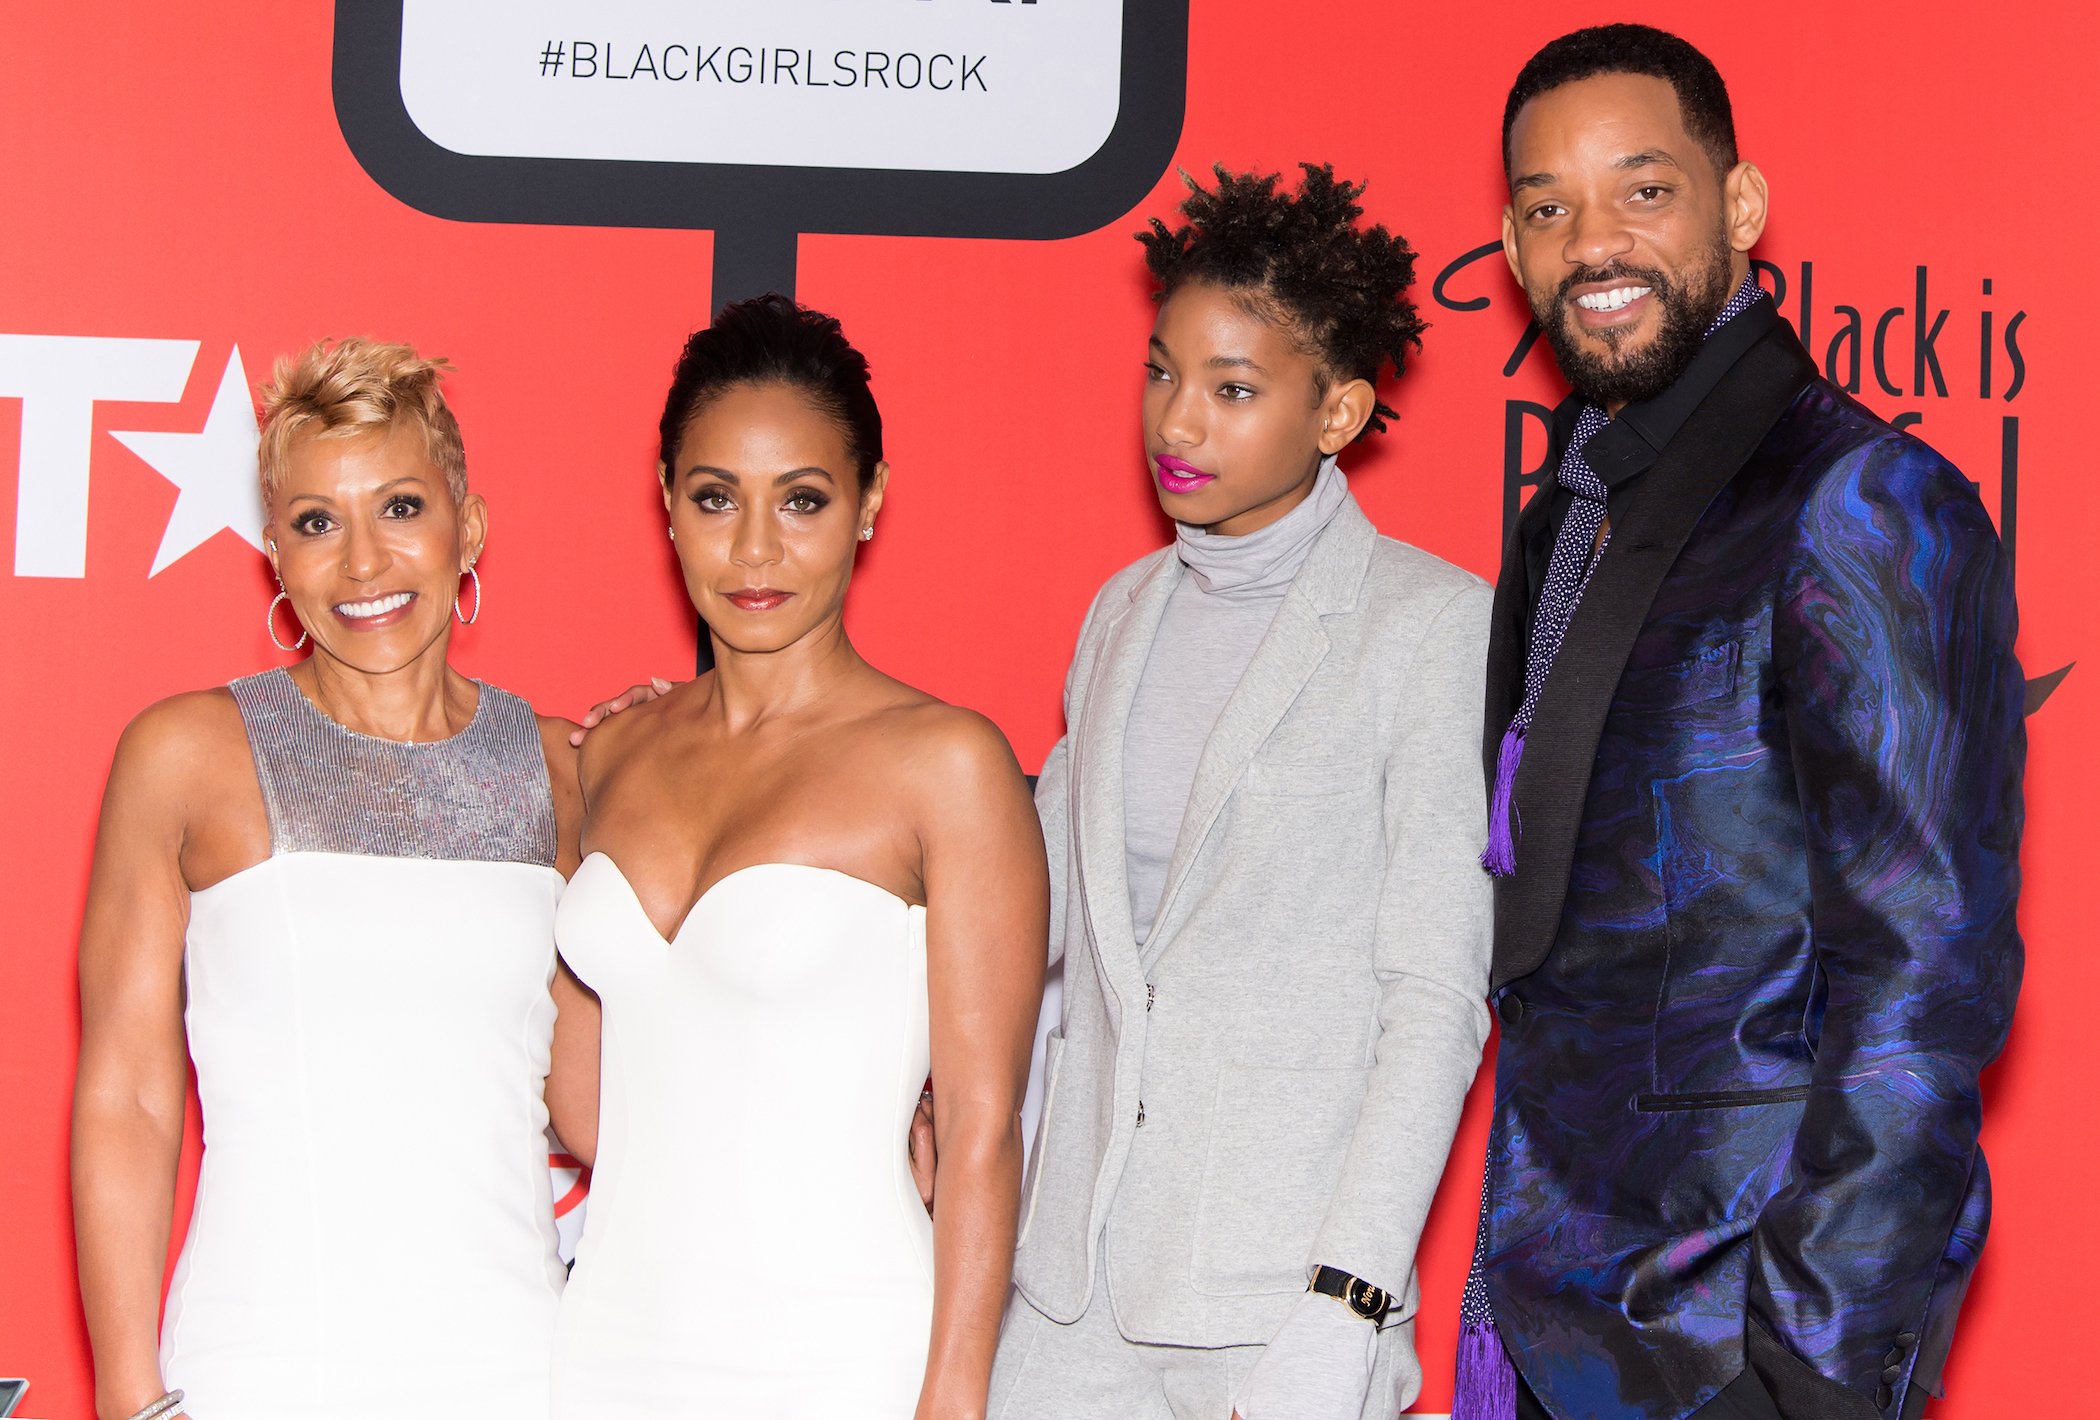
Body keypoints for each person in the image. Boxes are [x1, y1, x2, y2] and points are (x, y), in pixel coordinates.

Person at [1455, 25, 2024, 1420]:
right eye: (1547, 207)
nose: (1592, 241)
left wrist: (1813, 1364)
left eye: (1642, 189)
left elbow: (1925, 976)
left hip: (1737, 1333)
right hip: (1549, 1311)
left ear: (1743, 208)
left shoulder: (1862, 501)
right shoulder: (1568, 523)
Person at [988, 165, 1493, 1420]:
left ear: (1338, 412)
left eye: (1232, 390)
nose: (1177, 423)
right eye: (1162, 371)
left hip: (1280, 1307)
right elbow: (1031, 922)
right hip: (1065, 1299)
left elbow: (1432, 1003)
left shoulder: (1430, 628)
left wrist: (1347, 1305)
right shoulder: (1123, 613)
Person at [71, 338, 593, 1420]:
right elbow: (126, 1095)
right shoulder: (186, 754)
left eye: (400, 508)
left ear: (469, 524)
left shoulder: (561, 768)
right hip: (260, 1368)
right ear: (274, 552)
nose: (363, 563)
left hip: (516, 1370)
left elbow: (594, 1108)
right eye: (317, 522)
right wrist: (131, 1398)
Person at [546, 294, 1047, 1419]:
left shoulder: (947, 764)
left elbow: (980, 1129)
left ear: (870, 503)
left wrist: (953, 1393)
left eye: (804, 500)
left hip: (843, 1351)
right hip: (605, 1344)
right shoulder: (613, 749)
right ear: (666, 500)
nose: (756, 549)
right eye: (716, 497)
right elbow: (587, 1108)